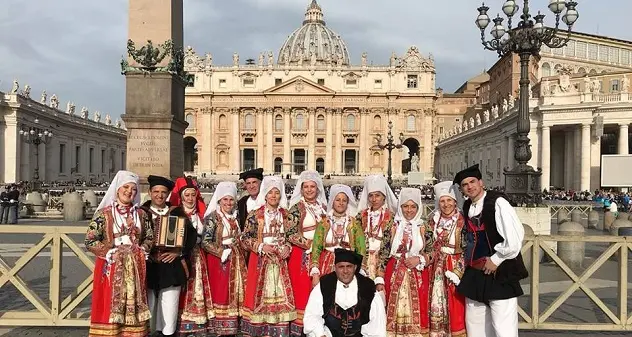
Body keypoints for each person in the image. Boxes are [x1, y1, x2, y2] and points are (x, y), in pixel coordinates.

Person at [453, 164, 528, 337]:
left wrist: (497, 259)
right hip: (475, 273)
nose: (469, 187)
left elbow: (515, 238)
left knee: (503, 327)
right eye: (465, 185)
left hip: (499, 272)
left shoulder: (498, 202)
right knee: (475, 325)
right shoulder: (467, 207)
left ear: (481, 182)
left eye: (472, 182)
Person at [84, 170, 154, 337]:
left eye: (134, 189)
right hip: (112, 266)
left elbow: (149, 237)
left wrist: (144, 249)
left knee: (135, 301)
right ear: (117, 189)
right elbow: (90, 240)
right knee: (109, 302)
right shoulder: (104, 214)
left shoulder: (141, 214)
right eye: (126, 187)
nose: (129, 191)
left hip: (136, 266)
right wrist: (109, 252)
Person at [140, 175, 197, 337]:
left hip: (171, 265)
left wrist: (178, 252)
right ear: (150, 192)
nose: (159, 195)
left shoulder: (176, 212)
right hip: (148, 264)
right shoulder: (141, 212)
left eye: (163, 192)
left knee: (170, 303)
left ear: (168, 194)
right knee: (148, 302)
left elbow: (191, 236)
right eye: (156, 191)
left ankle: (168, 332)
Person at [241, 175, 297, 337]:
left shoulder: (286, 215)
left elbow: (292, 236)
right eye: (270, 193)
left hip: (280, 262)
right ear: (264, 195)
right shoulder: (255, 214)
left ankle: (279, 329)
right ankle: (259, 329)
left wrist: (288, 246)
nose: (273, 196)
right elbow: (244, 238)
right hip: (260, 260)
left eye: (277, 193)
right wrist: (260, 246)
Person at [377, 188, 431, 337]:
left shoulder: (424, 227)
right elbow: (384, 252)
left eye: (413, 206)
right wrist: (380, 277)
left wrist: (419, 259)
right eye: (405, 206)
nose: (409, 210)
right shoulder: (392, 226)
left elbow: (433, 251)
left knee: (418, 310)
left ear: (418, 208)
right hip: (393, 273)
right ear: (400, 207)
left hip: (418, 273)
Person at [303, 248, 386, 337]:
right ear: (335, 268)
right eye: (341, 267)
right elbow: (312, 315)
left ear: (355, 268)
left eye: (349, 266)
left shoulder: (367, 287)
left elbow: (376, 325)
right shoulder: (325, 284)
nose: (345, 271)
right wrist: (320, 334)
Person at [169, 177, 215, 336]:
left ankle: (198, 321)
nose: (190, 198)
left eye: (192, 195)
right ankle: (183, 321)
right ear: (181, 197)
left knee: (198, 286)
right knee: (185, 288)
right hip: (182, 257)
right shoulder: (176, 214)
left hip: (200, 256)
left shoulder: (201, 215)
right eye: (186, 195)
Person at [202, 181, 248, 336]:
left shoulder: (235, 217)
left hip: (236, 259)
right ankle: (220, 326)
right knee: (221, 293)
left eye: (231, 200)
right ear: (219, 201)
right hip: (219, 261)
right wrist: (222, 251)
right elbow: (206, 242)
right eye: (225, 200)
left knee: (235, 291)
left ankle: (234, 325)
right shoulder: (213, 218)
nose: (228, 203)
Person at [287, 170, 328, 336]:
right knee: (303, 290)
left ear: (318, 189)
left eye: (313, 186)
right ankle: (300, 327)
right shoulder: (296, 208)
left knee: (321, 291)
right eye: (306, 187)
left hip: (323, 255)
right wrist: (309, 244)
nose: (310, 190)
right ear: (301, 189)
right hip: (303, 254)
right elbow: (289, 233)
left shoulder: (324, 208)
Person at [426, 181, 467, 337]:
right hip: (435, 267)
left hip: (454, 268)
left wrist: (458, 271)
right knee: (436, 302)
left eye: (449, 200)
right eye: (442, 201)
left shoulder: (462, 222)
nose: (446, 204)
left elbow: (467, 249)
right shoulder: (432, 221)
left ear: (455, 202)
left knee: (455, 305)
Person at [311, 184, 366, 281]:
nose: (341, 203)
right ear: (332, 201)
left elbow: (361, 248)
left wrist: (361, 268)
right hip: (327, 266)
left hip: (348, 266)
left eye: (344, 200)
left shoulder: (354, 224)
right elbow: (316, 247)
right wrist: (315, 269)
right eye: (338, 200)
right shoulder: (324, 223)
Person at [356, 174, 398, 281]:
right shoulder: (361, 216)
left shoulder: (391, 217)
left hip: (383, 259)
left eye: (377, 195)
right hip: (364, 259)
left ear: (384, 196)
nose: (374, 199)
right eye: (371, 196)